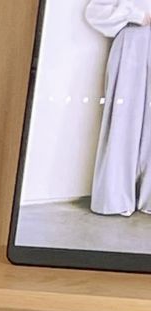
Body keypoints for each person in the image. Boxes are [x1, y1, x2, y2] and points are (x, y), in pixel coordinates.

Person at [87, 1, 151, 216]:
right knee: (124, 120)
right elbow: (95, 11)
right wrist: (137, 15)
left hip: (137, 42)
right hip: (133, 44)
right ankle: (116, 196)